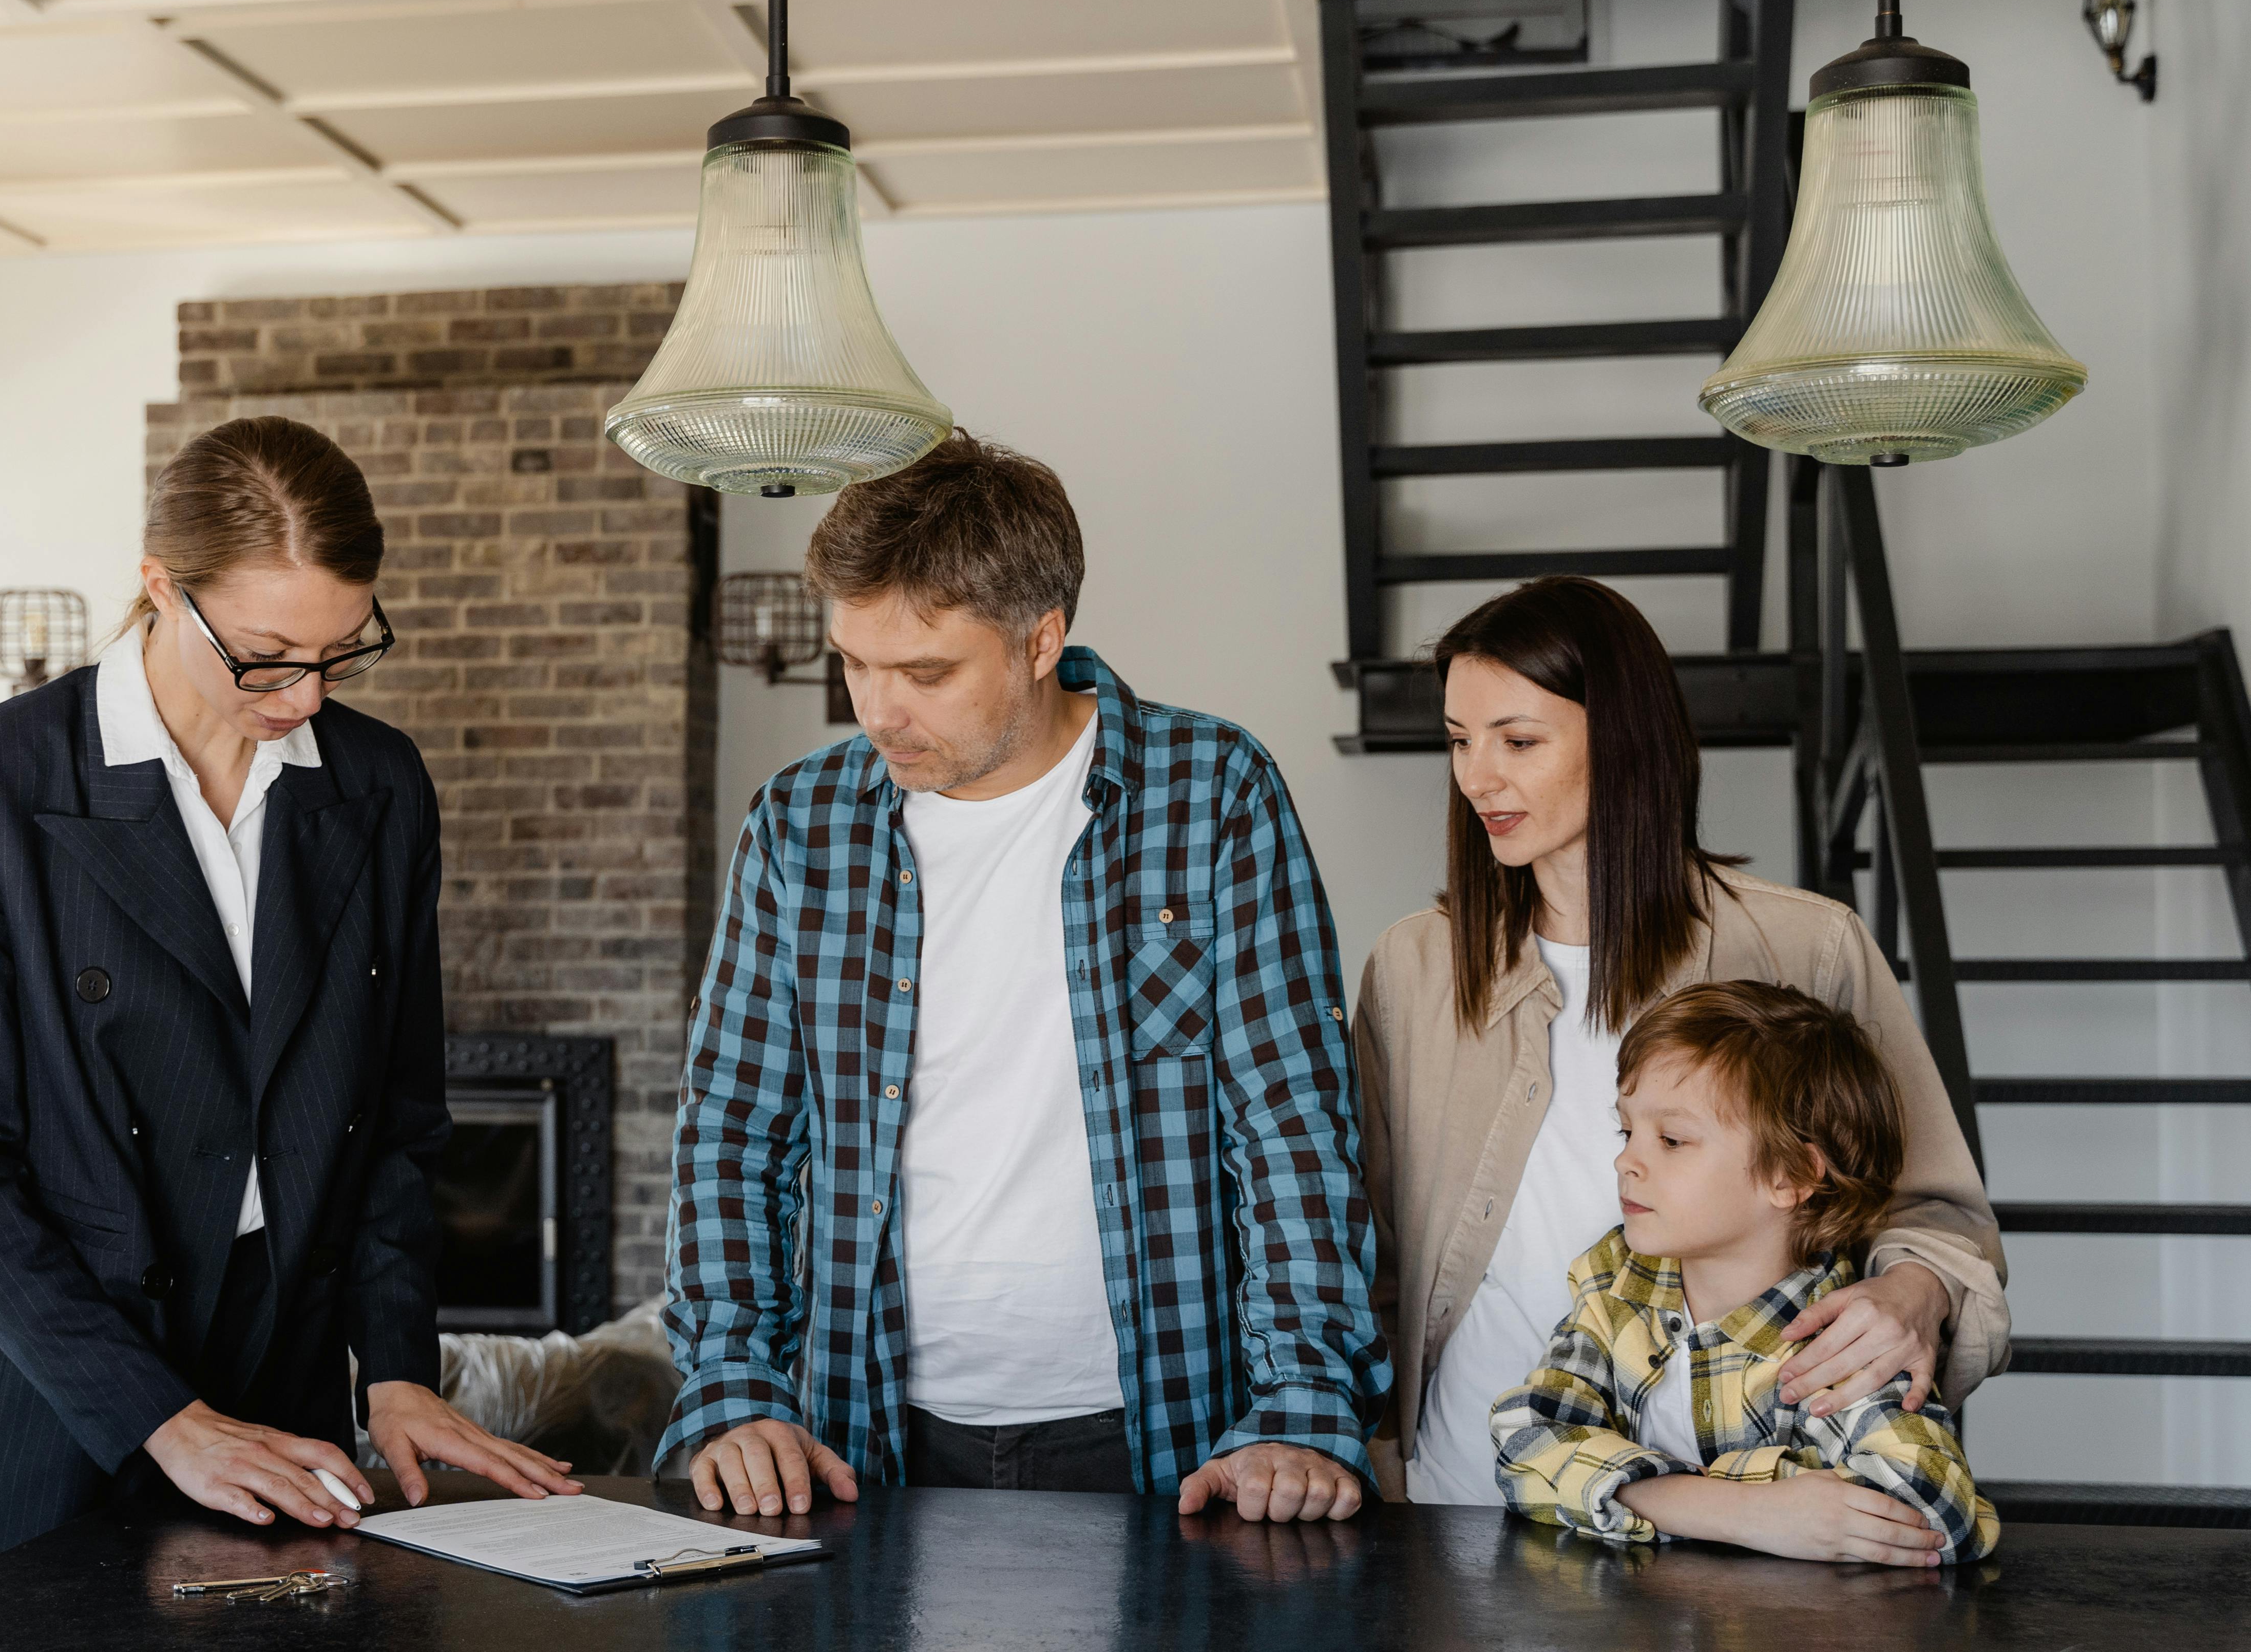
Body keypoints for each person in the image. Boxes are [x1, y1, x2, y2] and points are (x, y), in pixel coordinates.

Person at [0, 415, 577, 1588]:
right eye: (265, 655)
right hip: (41, 1397)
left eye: (340, 652)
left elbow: (395, 1123)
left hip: (280, 1371)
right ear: (159, 586)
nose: (305, 695)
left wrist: (397, 1368)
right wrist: (162, 1416)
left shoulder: (379, 786)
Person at [663, 432, 1387, 1523]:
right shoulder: (797, 826)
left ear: (1040, 638)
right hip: (861, 1434)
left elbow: (1290, 1123)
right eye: (852, 662)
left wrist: (1300, 1401)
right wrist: (729, 1383)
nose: (875, 710)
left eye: (925, 672)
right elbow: (731, 1129)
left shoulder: (1211, 794)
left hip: (1165, 1432)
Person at [1356, 575, 2008, 1506]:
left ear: (1622, 740)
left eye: (1519, 741)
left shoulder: (1806, 949)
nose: (1477, 778)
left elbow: (1939, 1220)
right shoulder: (1413, 967)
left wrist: (1916, 1297)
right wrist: (1376, 1450)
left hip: (1749, 1510)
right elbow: (1370, 1250)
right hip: (1465, 1494)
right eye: (1459, 741)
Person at [1493, 980, 1999, 1564]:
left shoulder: (1838, 1343)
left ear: (1790, 1177)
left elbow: (1939, 1514)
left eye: (1672, 1140)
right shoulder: (1613, 1285)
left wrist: (1628, 1489)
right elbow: (1524, 1440)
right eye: (1626, 1131)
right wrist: (1745, 1509)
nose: (1625, 1160)